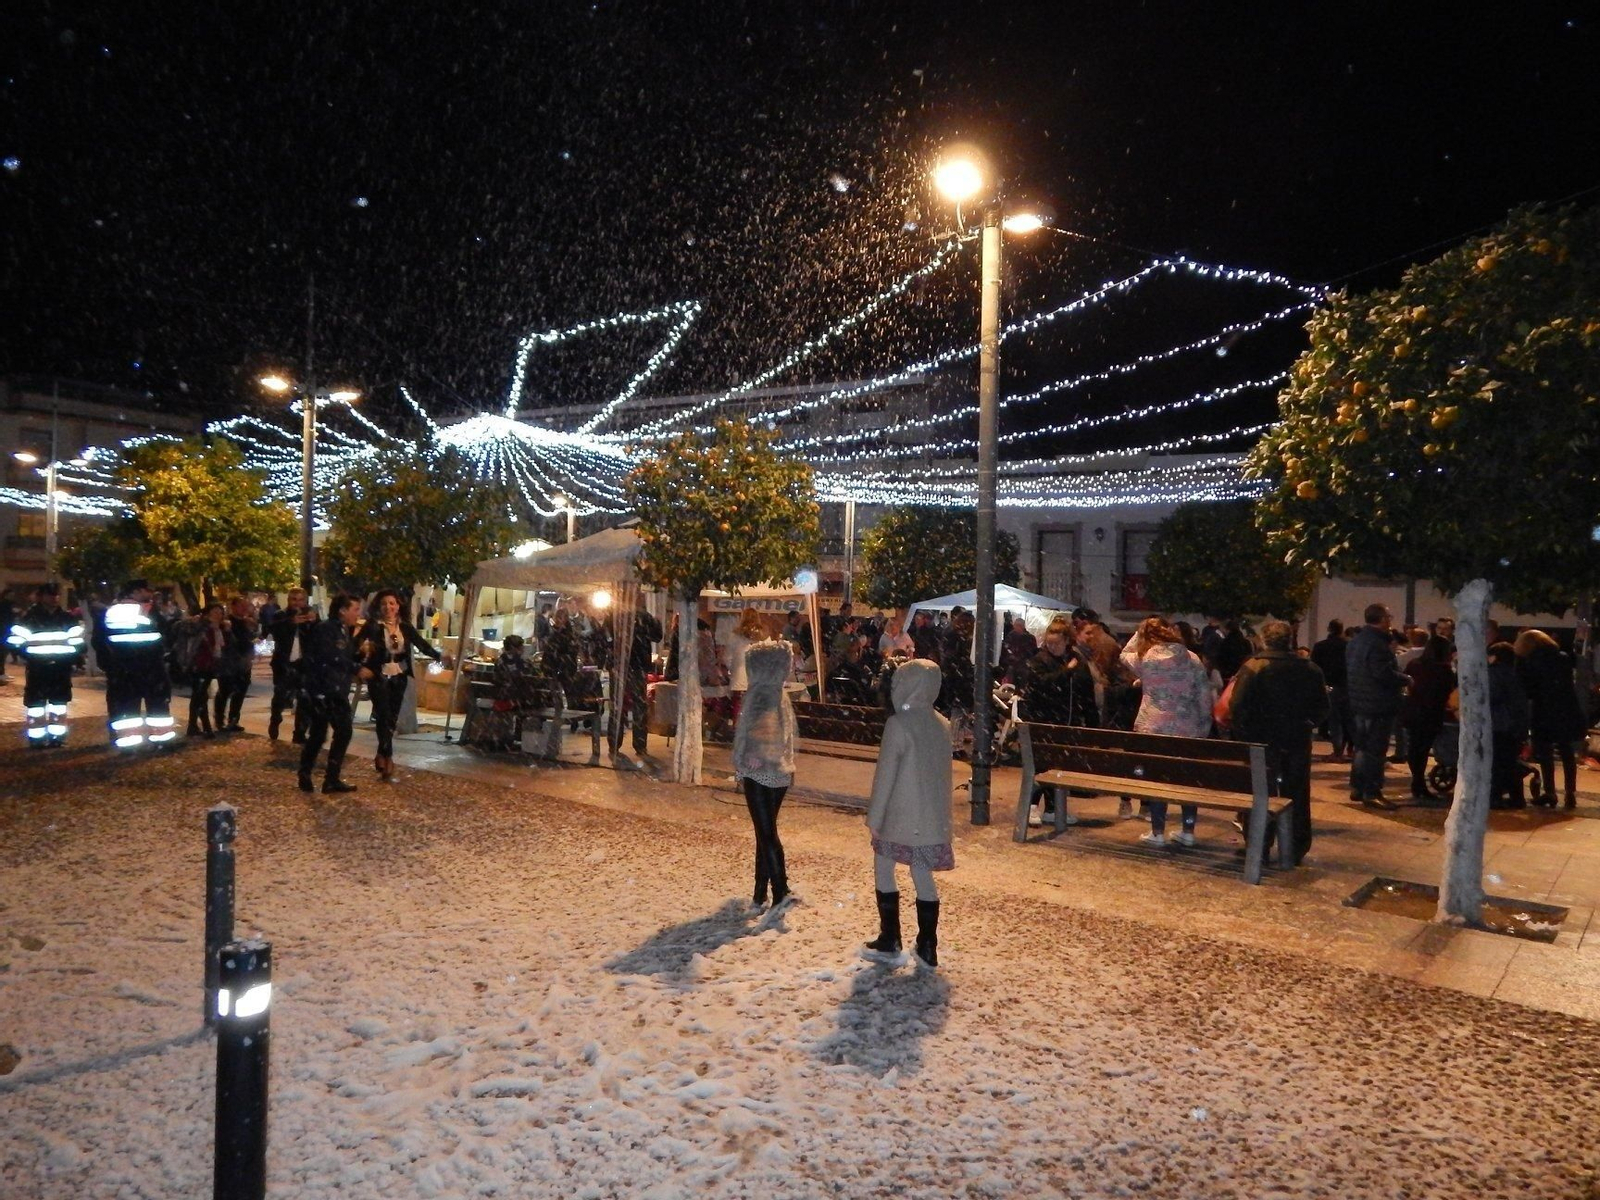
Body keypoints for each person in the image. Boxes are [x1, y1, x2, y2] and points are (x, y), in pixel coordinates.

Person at [863, 657, 953, 968]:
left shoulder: (898, 724)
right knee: (922, 874)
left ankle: (890, 937)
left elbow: (885, 777)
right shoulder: (942, 724)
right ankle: (928, 944)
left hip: (899, 816)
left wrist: (875, 819)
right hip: (930, 819)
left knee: (884, 867)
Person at [1227, 619, 1330, 861]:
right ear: (1290, 640)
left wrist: (1246, 733)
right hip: (1296, 740)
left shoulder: (1253, 667)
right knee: (1296, 793)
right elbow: (1322, 707)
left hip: (1261, 741)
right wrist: (1307, 724)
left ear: (1264, 640)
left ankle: (1259, 845)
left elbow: (1237, 706)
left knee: (1261, 792)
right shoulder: (1310, 669)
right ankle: (1295, 846)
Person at [1120, 617, 1214, 847]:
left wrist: (1140, 631)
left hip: (1154, 728)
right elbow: (1204, 697)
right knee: (1187, 780)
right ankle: (1188, 830)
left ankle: (1158, 832)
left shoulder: (1146, 659)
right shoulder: (1192, 659)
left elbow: (1124, 653)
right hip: (1187, 728)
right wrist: (1204, 725)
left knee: (1158, 778)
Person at [732, 641, 798, 911]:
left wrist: (745, 759)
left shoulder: (759, 694)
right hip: (778, 772)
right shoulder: (778, 694)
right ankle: (761, 891)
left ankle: (779, 890)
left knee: (767, 833)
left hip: (759, 771)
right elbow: (784, 735)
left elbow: (756, 731)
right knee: (765, 832)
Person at [356, 589, 444, 781]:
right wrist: (360, 666)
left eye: (392, 603)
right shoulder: (373, 626)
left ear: (398, 606)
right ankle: (388, 757)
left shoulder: (404, 626)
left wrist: (440, 656)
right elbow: (354, 646)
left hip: (399, 675)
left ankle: (381, 752)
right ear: (378, 607)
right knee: (382, 714)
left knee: (392, 718)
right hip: (378, 675)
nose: (388, 607)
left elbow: (422, 645)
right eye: (384, 604)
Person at [299, 593, 369, 795]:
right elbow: (331, 657)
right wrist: (356, 668)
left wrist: (360, 654)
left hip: (335, 689)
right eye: (355, 609)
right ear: (342, 610)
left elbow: (343, 655)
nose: (358, 614)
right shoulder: (327, 629)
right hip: (323, 690)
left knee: (336, 732)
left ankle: (330, 778)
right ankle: (309, 773)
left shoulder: (343, 630)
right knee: (324, 733)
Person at [96, 580, 175, 749]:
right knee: (157, 704)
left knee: (127, 706)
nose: (151, 594)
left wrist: (110, 666)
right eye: (148, 590)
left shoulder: (110, 611)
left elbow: (99, 640)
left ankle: (129, 742)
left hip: (122, 668)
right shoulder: (146, 610)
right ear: (137, 591)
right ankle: (161, 740)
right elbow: (163, 632)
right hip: (150, 665)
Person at [1345, 603, 1408, 809]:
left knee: (1362, 748)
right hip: (1378, 704)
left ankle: (1357, 787)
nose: (1391, 620)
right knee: (1375, 751)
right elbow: (1381, 673)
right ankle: (1372, 791)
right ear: (1381, 619)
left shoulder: (1356, 641)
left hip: (1359, 702)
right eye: (1389, 617)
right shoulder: (1378, 643)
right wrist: (1405, 679)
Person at [1515, 629, 1586, 809]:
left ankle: (1550, 792)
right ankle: (1570, 793)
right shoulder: (1563, 657)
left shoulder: (1529, 661)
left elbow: (1527, 688)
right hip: (1566, 709)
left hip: (1543, 710)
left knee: (1545, 753)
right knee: (1566, 751)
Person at [8, 583, 85, 746]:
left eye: (56, 595)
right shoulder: (28, 618)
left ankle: (57, 738)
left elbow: (78, 643)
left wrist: (73, 660)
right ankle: (36, 739)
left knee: (59, 703)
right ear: (41, 597)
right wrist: (30, 657)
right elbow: (15, 642)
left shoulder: (67, 618)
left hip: (61, 668)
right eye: (51, 595)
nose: (55, 598)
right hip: (38, 668)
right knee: (36, 704)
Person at [1399, 635, 1457, 800]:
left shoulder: (1415, 664)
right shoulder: (1444, 670)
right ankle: (1419, 784)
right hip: (1431, 713)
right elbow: (1447, 692)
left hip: (1412, 710)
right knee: (1423, 749)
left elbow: (1407, 684)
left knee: (1415, 748)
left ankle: (1417, 781)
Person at [174, 603, 232, 738]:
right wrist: (195, 621)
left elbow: (225, 647)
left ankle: (193, 725)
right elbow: (185, 631)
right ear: (207, 614)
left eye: (220, 612)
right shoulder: (201, 626)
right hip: (199, 664)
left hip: (210, 665)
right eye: (215, 612)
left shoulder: (219, 629)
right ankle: (204, 727)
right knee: (200, 695)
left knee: (199, 695)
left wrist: (227, 631)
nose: (218, 615)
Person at [267, 589, 318, 742]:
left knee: (304, 699)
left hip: (303, 664)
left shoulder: (310, 615)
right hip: (284, 663)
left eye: (301, 600)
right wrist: (291, 622)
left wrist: (313, 621)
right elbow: (274, 631)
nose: (297, 603)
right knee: (280, 697)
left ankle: (300, 733)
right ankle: (275, 720)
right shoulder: (281, 615)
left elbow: (319, 635)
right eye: (294, 599)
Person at [1487, 640, 1532, 808]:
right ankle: (1517, 797)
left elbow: (1492, 696)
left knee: (1497, 762)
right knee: (1509, 762)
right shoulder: (1515, 674)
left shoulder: (1494, 673)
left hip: (1498, 723)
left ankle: (1496, 796)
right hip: (1513, 724)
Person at [213, 595, 259, 733]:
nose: (244, 608)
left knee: (240, 692)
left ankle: (233, 720)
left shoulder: (247, 623)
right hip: (228, 662)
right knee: (225, 691)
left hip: (243, 662)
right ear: (233, 607)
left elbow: (249, 640)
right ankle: (220, 720)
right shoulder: (226, 623)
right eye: (241, 605)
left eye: (246, 606)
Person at [624, 605, 664, 755]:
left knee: (624, 705)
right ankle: (639, 744)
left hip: (626, 664)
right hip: (637, 664)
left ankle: (615, 742)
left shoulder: (620, 616)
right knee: (638, 705)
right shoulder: (644, 617)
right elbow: (657, 636)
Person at [1310, 619, 1351, 760]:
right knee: (1348, 720)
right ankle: (1348, 750)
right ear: (1341, 630)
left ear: (1329, 629)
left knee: (1335, 720)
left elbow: (1314, 667)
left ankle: (1337, 750)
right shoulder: (1349, 646)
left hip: (1329, 686)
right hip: (1347, 686)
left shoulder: (1320, 646)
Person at [1000, 616, 1038, 684]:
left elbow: (1032, 653)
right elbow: (1006, 648)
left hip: (1024, 668)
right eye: (1015, 626)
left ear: (1022, 626)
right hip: (1011, 667)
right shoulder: (1011, 636)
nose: (1015, 628)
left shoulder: (1029, 638)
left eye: (1017, 626)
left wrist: (1020, 658)